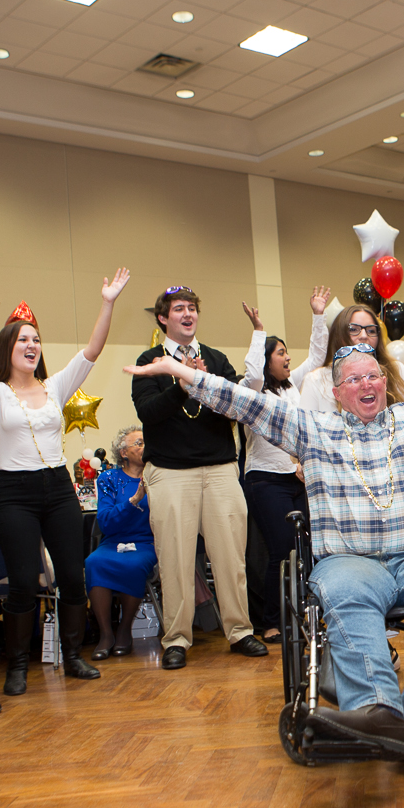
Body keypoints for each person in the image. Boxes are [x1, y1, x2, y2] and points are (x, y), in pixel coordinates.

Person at [124, 317, 404, 766]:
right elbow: (242, 402)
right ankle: (379, 709)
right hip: (350, 561)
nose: (365, 384)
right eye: (353, 379)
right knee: (341, 588)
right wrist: (181, 372)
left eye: (372, 376)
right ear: (338, 393)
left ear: (386, 382)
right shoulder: (313, 428)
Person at [0, 269, 129, 690]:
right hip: (15, 492)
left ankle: (72, 655)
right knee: (22, 581)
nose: (32, 345)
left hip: (58, 489)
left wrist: (107, 301)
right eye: (23, 339)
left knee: (73, 576)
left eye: (36, 339)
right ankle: (18, 665)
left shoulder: (55, 388)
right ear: (8, 348)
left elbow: (93, 350)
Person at [131, 286, 267, 670]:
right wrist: (183, 384)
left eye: (192, 308)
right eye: (179, 309)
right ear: (163, 318)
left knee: (230, 558)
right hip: (171, 475)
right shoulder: (150, 361)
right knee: (174, 560)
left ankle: (240, 631)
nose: (187, 314)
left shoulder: (216, 359)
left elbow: (235, 407)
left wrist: (208, 385)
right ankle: (176, 639)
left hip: (221, 469)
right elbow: (149, 413)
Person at [240, 286, 331, 643]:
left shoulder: (293, 388)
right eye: (280, 353)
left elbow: (318, 354)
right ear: (267, 359)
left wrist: (318, 315)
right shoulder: (253, 391)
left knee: (306, 549)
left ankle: (305, 614)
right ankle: (271, 620)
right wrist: (258, 331)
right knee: (280, 551)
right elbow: (253, 374)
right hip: (265, 479)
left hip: (298, 479)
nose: (288, 358)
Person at [85, 426, 158, 658]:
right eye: (138, 443)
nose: (144, 447)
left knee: (133, 564)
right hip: (113, 541)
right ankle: (106, 633)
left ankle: (124, 629)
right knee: (94, 562)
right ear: (123, 453)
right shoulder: (109, 478)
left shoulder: (157, 475)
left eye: (146, 442)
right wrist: (134, 500)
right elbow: (105, 522)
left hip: (146, 543)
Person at [298, 305, 404, 411]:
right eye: (354, 329)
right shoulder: (316, 379)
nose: (363, 336)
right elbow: (305, 431)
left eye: (371, 330)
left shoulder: (397, 370)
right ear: (339, 335)